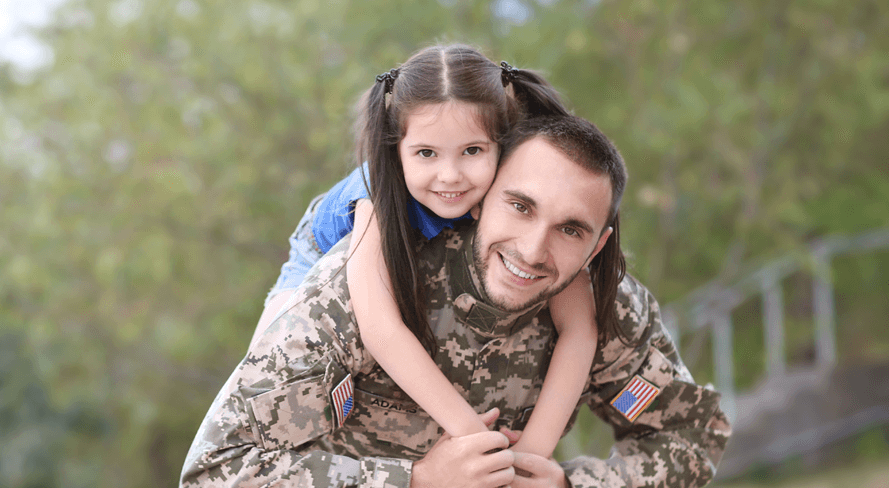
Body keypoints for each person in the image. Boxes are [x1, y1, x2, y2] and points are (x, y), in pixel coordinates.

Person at [181, 114, 731, 487]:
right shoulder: (361, 284)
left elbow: (693, 434)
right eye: (520, 206)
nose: (533, 250)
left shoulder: (610, 313)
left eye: (570, 230)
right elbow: (217, 470)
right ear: (477, 197)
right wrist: (415, 481)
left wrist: (570, 483)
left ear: (598, 246)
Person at [250, 44, 603, 461]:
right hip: (315, 260)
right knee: (266, 369)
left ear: (501, 145)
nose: (450, 175)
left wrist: (533, 454)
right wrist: (475, 438)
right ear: (396, 150)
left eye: (472, 151)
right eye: (426, 153)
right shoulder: (376, 202)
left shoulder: (521, 188)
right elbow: (381, 330)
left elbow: (580, 329)